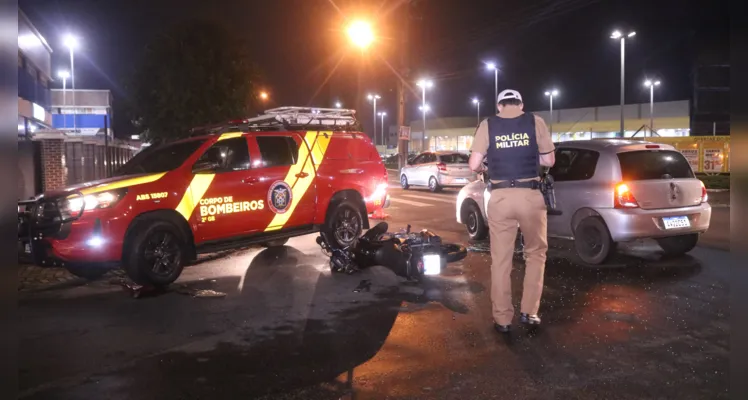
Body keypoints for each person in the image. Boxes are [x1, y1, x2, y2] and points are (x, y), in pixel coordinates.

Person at [468, 89, 556, 334]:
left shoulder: (488, 124)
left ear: (498, 107)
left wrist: (489, 159)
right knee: (536, 254)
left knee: (501, 260)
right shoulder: (535, 121)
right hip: (530, 196)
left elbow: (474, 164)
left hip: (500, 197)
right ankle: (530, 312)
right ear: (521, 104)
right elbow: (549, 162)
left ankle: (502, 319)